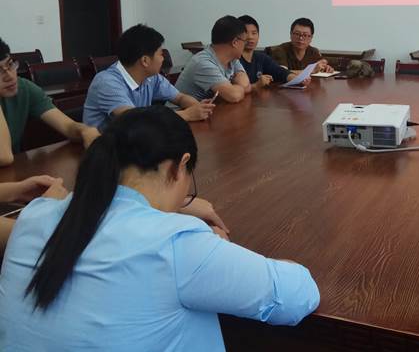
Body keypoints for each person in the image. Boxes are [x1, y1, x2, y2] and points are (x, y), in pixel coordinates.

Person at [0, 106, 320, 350]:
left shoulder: (34, 216)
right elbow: (297, 296)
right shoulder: (176, 244)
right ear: (178, 167)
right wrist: (225, 254)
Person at [83, 24, 213, 130]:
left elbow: (180, 97)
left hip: (134, 142)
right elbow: (134, 120)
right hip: (103, 148)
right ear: (145, 61)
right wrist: (186, 114)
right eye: (160, 54)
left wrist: (198, 108)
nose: (163, 59)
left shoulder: (151, 77)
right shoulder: (107, 82)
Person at [0, 38, 100, 166]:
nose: (9, 76)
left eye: (10, 65)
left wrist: (84, 130)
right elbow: (4, 157)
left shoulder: (24, 88)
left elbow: (68, 126)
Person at [175, 16, 252, 103]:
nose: (245, 45)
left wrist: (236, 88)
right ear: (235, 42)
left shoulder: (232, 59)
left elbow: (247, 85)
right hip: (182, 111)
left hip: (210, 109)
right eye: (245, 41)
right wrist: (236, 88)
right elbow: (234, 96)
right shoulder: (203, 62)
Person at [238, 15, 310, 89]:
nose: (250, 37)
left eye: (254, 33)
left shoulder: (261, 57)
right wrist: (256, 85)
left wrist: (298, 80)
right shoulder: (234, 60)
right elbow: (235, 90)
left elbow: (279, 72)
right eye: (246, 33)